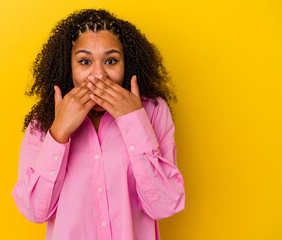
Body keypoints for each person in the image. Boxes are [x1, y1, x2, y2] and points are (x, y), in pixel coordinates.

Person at [11, 8, 185, 240]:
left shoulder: (152, 111)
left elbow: (164, 206)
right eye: (85, 62)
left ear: (127, 64)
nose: (99, 75)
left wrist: (133, 121)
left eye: (111, 61)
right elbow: (34, 211)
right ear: (68, 67)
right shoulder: (44, 121)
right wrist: (59, 133)